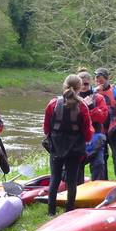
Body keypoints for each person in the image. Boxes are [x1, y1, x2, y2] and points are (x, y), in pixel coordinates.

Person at [42, 75, 94, 216]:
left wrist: (53, 137)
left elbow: (46, 128)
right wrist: (87, 140)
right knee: (72, 180)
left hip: (56, 146)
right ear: (79, 88)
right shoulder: (82, 106)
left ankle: (51, 212)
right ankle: (69, 210)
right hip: (75, 148)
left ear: (64, 85)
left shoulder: (53, 104)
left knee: (55, 178)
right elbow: (87, 131)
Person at [77, 70, 109, 182]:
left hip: (96, 137)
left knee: (99, 164)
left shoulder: (98, 98)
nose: (83, 86)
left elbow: (102, 117)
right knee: (77, 167)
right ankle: (76, 191)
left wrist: (90, 107)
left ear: (90, 83)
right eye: (80, 84)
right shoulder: (72, 99)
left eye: (85, 84)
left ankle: (97, 189)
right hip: (78, 138)